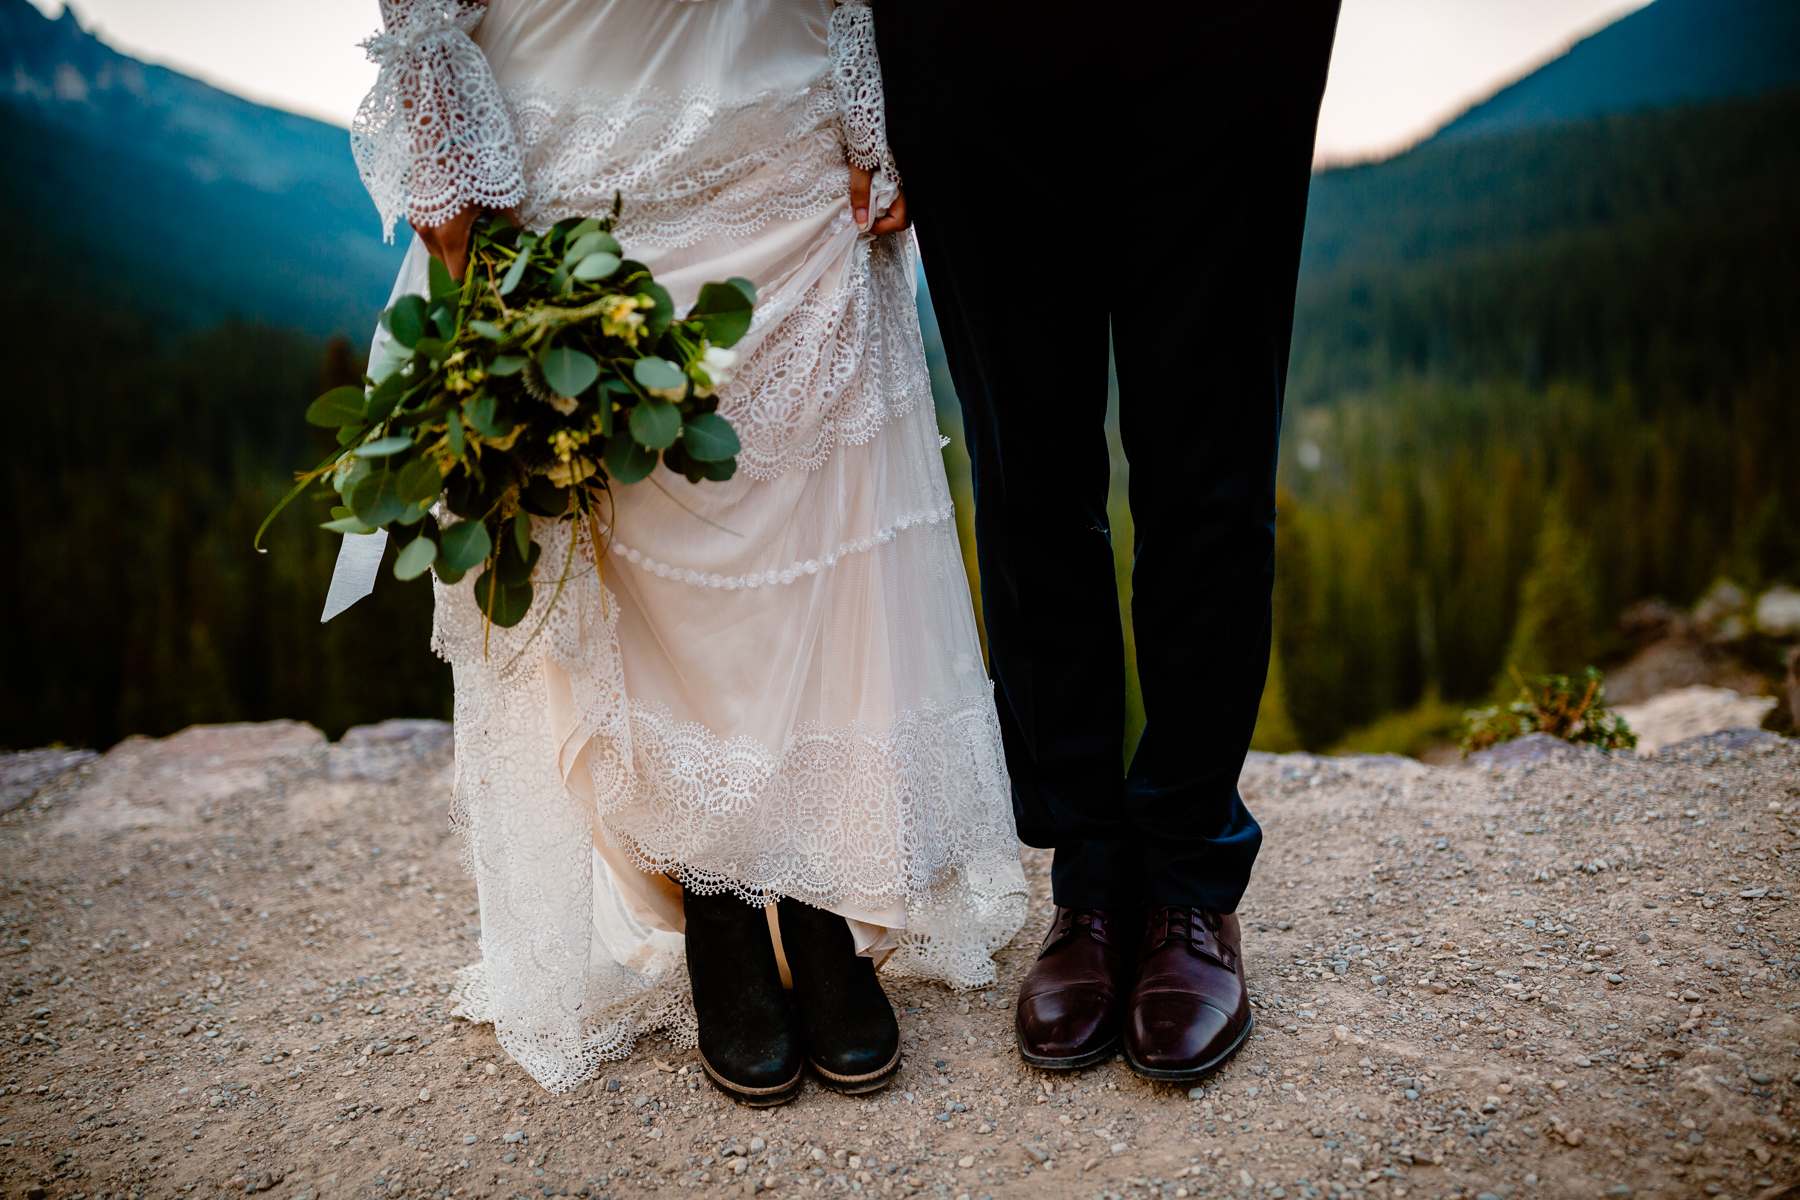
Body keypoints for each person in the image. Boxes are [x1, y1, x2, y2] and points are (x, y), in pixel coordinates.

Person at [350, 0, 1026, 1103]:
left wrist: (874, 104)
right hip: (578, 98)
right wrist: (440, 139)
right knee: (643, 513)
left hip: (780, 93)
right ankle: (713, 900)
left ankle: (823, 885)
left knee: (816, 507)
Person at [872, 1, 1343, 1081]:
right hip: (965, 37)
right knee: (1025, 467)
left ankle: (1188, 874)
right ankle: (1089, 874)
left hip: (1228, 38)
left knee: (1209, 458)